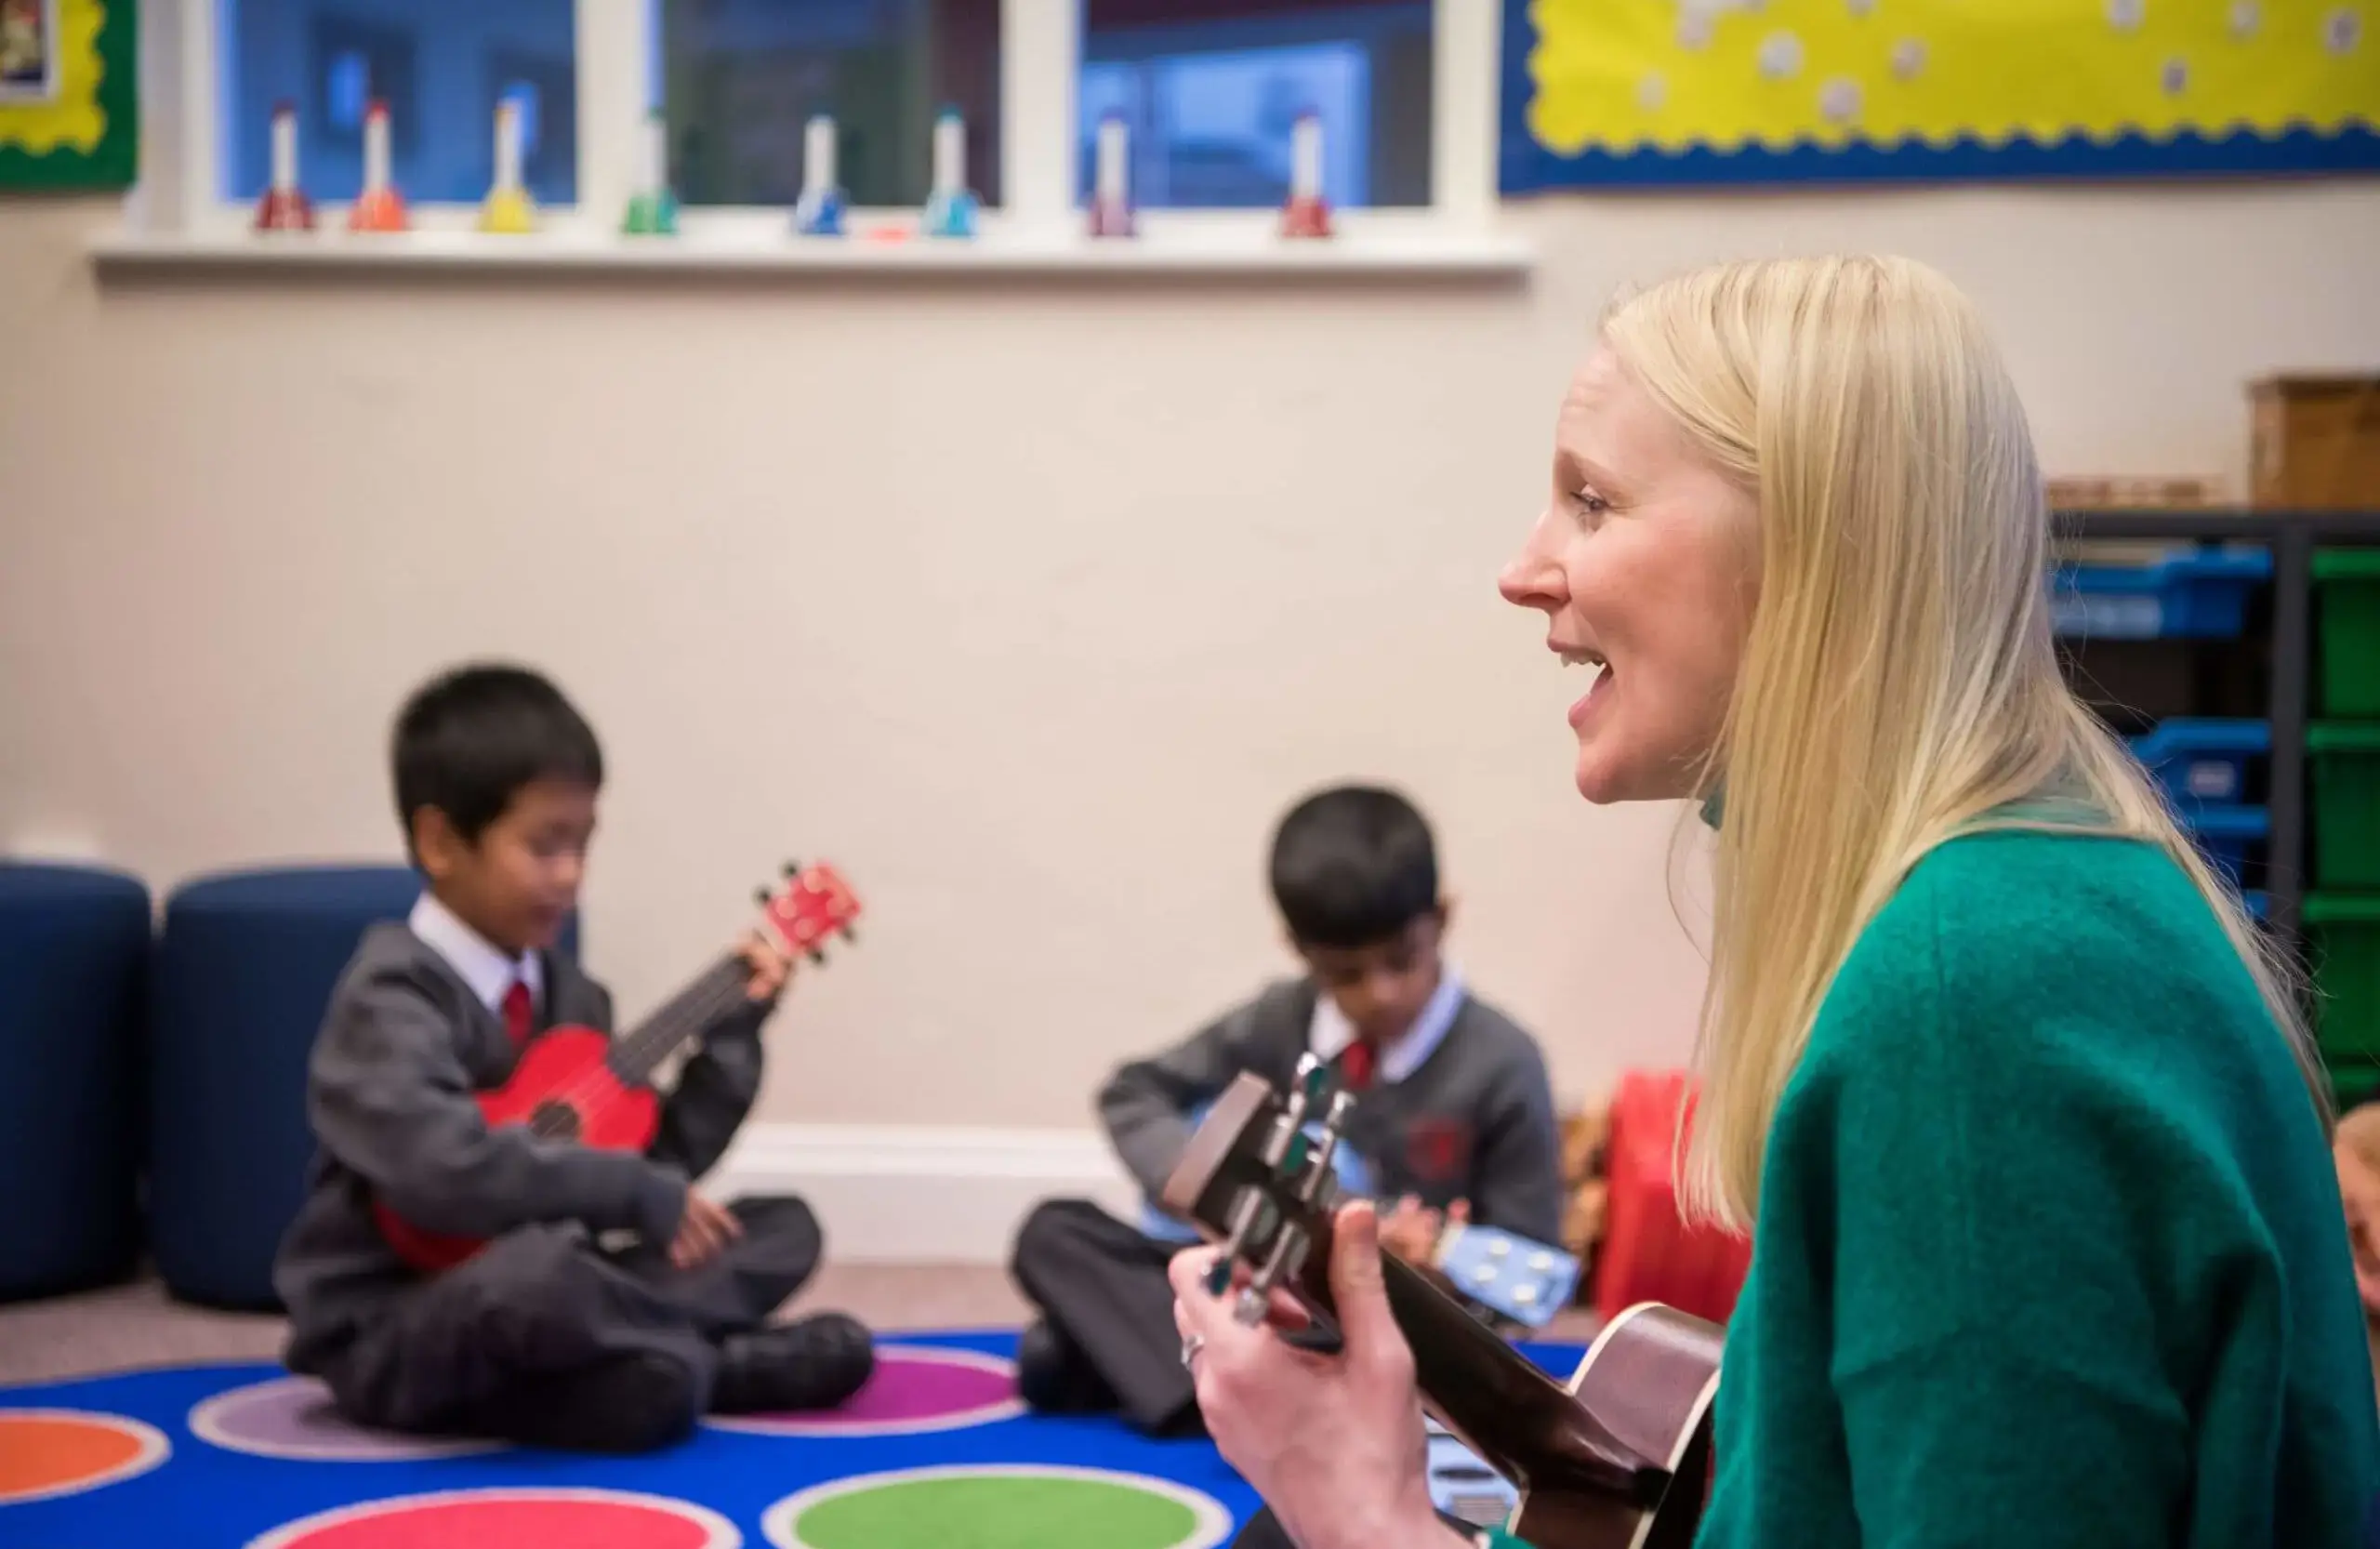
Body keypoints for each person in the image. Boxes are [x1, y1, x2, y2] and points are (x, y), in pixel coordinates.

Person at [1171, 255, 2380, 1549]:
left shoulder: (1973, 1003)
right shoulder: (2047, 893)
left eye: (1592, 500)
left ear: (1808, 551)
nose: (1525, 568)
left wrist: (1365, 1509)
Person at [273, 663, 876, 1453]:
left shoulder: (572, 999)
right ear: (440, 841)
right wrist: (633, 1192)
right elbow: (443, 1173)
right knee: (540, 1282)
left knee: (777, 1228)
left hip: (561, 1281)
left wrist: (736, 1031)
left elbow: (660, 1163)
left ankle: (654, 1366)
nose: (571, 875)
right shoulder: (390, 999)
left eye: (584, 844)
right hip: (401, 1319)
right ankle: (717, 1365)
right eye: (543, 845)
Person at [1011, 783, 1565, 1438]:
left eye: (1402, 960)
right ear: (1298, 950)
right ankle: (1260, 1392)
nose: (1379, 994)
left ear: (1442, 919)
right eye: (1346, 974)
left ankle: (1217, 1386)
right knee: (1053, 1232)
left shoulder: (1503, 1063)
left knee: (1055, 1357)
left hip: (1387, 1321)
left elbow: (1528, 1268)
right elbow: (1133, 1092)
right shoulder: (1279, 1019)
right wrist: (1228, 1197)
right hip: (1260, 1291)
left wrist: (1434, 1272)